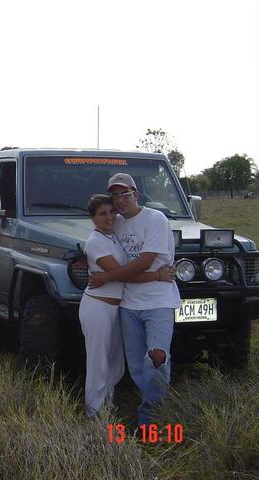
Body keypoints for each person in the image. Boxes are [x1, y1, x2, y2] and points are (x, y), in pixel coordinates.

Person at [89, 173, 180, 426]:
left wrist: (107, 277)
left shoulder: (155, 219)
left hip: (158, 301)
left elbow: (144, 261)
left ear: (136, 195)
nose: (120, 200)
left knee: (158, 358)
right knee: (138, 367)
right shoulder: (114, 222)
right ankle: (149, 414)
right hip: (128, 304)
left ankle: (152, 420)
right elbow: (98, 244)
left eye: (125, 194)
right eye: (115, 195)